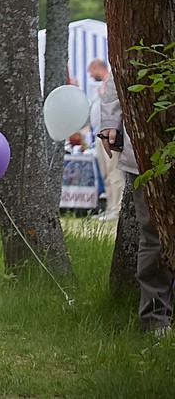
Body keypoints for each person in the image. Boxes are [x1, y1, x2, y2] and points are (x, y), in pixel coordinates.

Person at [98, 77, 174, 337]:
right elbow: (119, 77)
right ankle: (155, 322)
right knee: (154, 237)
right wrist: (110, 123)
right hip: (146, 150)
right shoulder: (138, 39)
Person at [87, 58, 124, 221]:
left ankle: (117, 208)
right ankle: (110, 206)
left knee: (114, 171)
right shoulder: (100, 88)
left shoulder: (110, 83)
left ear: (97, 68)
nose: (90, 74)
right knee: (106, 173)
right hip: (99, 135)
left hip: (110, 135)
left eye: (91, 70)